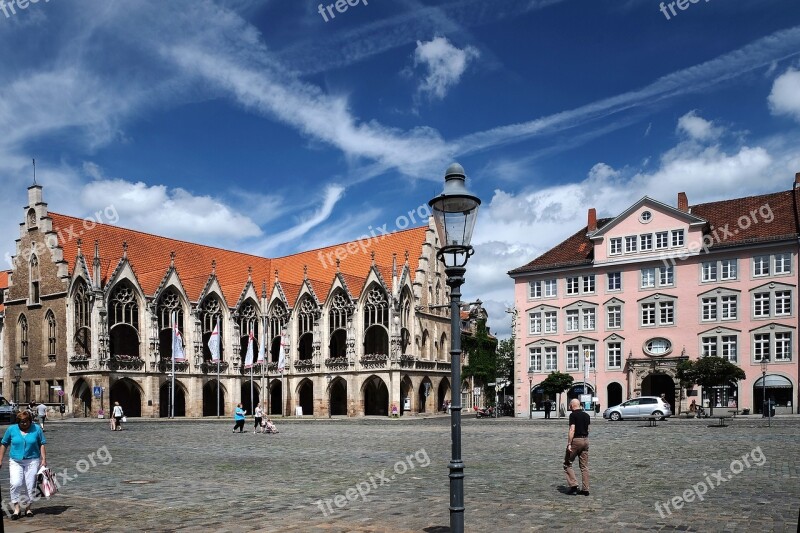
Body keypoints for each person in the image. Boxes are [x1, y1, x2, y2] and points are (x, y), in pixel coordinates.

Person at [0, 411, 47, 519]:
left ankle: (28, 508)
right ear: (18, 422)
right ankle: (16, 509)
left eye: (26, 422)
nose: (24, 424)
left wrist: (43, 459)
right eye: (21, 422)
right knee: (15, 483)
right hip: (16, 461)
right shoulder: (11, 429)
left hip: (32, 460)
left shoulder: (37, 429)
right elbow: (4, 444)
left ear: (30, 421)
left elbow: (42, 444)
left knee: (30, 485)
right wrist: (0, 459)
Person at [563, 398, 590, 496]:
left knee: (567, 463)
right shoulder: (587, 415)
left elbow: (572, 429)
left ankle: (574, 486)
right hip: (585, 440)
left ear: (572, 406)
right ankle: (585, 489)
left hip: (576, 440)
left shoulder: (573, 415)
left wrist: (569, 443)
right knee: (584, 466)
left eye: (570, 405)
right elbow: (588, 429)